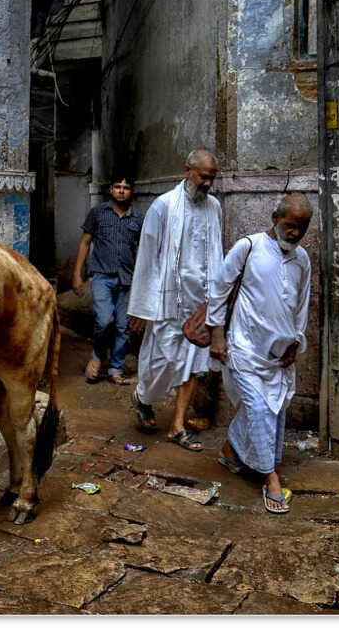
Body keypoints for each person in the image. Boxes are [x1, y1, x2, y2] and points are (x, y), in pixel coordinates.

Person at [208, 193, 313, 514]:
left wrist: (296, 342)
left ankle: (230, 450)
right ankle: (270, 478)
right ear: (274, 218)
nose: (294, 233)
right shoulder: (249, 246)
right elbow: (219, 289)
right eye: (290, 225)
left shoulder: (301, 259)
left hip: (277, 355)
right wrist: (217, 336)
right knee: (257, 409)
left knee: (274, 407)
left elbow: (301, 305)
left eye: (302, 228)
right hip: (244, 348)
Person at [126, 149, 222, 451]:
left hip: (199, 305)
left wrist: (216, 304)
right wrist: (141, 307)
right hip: (167, 302)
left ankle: (177, 426)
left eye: (211, 178)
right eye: (203, 176)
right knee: (161, 362)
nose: (207, 183)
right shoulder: (163, 206)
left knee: (192, 365)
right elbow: (147, 258)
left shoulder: (214, 207)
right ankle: (142, 396)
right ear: (187, 170)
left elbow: (217, 253)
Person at [72, 173, 143, 385]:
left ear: (131, 192)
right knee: (104, 320)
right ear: (111, 190)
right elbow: (85, 242)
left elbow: (144, 250)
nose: (121, 190)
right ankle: (97, 356)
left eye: (126, 187)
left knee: (123, 326)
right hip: (102, 277)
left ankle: (115, 368)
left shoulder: (138, 218)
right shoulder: (98, 214)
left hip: (127, 280)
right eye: (117, 186)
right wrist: (77, 275)